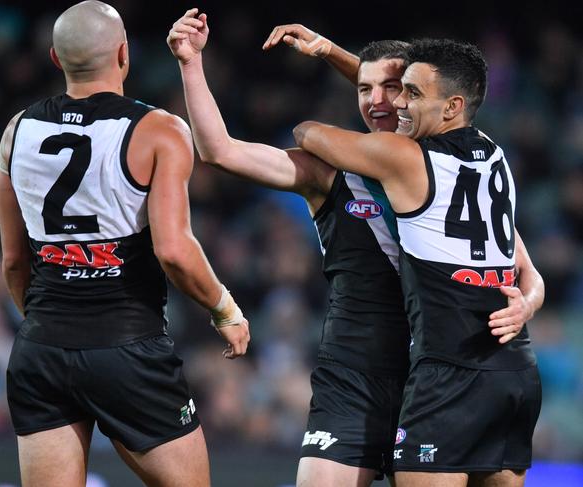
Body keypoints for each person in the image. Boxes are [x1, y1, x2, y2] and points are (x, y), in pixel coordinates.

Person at [168, 11, 543, 487]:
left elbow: (523, 268)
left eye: (399, 89)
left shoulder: (453, 175)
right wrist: (191, 64)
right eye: (363, 90)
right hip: (357, 374)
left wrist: (526, 304)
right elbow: (220, 151)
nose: (380, 101)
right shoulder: (329, 172)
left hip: (435, 373)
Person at [0, 2, 249, 486]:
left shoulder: (18, 130)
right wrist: (225, 309)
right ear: (124, 53)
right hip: (128, 347)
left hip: (41, 349)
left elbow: (12, 261)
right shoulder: (159, 130)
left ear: (55, 57)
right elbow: (174, 250)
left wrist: (51, 324)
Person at [294, 38, 542, 487]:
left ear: (451, 107)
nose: (397, 104)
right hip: (514, 370)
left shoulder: (408, 158)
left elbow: (309, 133)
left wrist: (341, 71)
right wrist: (528, 303)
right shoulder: (494, 158)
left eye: (409, 94)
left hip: (447, 371)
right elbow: (532, 274)